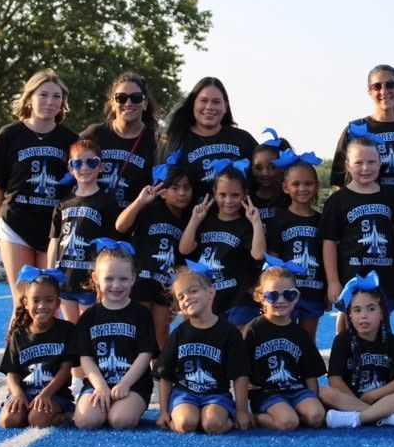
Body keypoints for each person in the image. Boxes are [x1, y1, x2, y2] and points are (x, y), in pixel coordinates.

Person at [0, 69, 80, 307]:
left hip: (53, 229)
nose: (50, 102)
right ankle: (15, 346)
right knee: (23, 302)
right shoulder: (9, 135)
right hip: (16, 224)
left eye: (56, 97)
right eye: (43, 95)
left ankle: (49, 346)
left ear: (63, 102)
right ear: (29, 98)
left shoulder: (69, 139)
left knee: (49, 302)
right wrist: (1, 225)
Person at [155, 264, 251, 434]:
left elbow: (240, 375)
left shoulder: (229, 333)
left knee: (213, 424)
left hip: (216, 394)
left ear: (211, 293)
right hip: (185, 393)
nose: (187, 298)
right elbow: (165, 374)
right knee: (186, 423)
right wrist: (163, 411)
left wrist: (242, 411)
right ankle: (182, 417)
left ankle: (223, 420)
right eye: (181, 296)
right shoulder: (179, 333)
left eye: (193, 291)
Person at [72, 241, 156, 430]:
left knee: (120, 420)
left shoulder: (141, 314)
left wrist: (125, 383)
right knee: (86, 421)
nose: (116, 285)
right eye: (109, 279)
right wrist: (100, 386)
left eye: (123, 279)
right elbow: (85, 357)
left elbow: (146, 354)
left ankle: (124, 407)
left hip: (133, 384)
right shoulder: (89, 317)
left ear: (133, 278)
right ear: (96, 278)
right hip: (99, 382)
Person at [322, 135, 394, 332]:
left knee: (383, 327)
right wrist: (332, 281)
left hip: (385, 276)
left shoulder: (390, 196)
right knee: (348, 324)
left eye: (371, 162)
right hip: (351, 275)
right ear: (348, 165)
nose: (365, 168)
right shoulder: (337, 201)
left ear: (380, 163)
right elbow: (329, 242)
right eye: (359, 162)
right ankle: (344, 359)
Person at [322, 273, 394, 428]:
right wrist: (357, 400)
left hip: (382, 399)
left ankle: (356, 419)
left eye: (371, 309)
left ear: (381, 314)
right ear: (350, 316)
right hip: (350, 399)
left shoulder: (390, 340)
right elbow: (335, 380)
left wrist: (373, 395)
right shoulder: (342, 340)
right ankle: (383, 417)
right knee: (325, 393)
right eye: (357, 310)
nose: (364, 316)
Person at [115, 159, 194, 348]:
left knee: (161, 333)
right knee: (138, 328)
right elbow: (121, 226)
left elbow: (186, 255)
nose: (182, 193)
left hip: (166, 283)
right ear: (164, 192)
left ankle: (159, 372)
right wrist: (140, 201)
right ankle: (136, 371)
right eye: (175, 188)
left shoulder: (189, 218)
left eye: (186, 188)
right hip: (142, 277)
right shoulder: (150, 209)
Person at [179, 162, 266, 326]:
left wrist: (256, 222)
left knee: (239, 346)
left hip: (239, 300)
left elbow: (258, 254)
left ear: (245, 195)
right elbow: (184, 249)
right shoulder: (205, 222)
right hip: (210, 299)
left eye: (235, 195)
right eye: (222, 195)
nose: (228, 200)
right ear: (214, 194)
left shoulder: (245, 225)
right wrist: (195, 219)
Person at [243, 264, 327, 431]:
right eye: (272, 296)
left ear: (296, 297)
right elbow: (242, 372)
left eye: (288, 295)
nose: (281, 301)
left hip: (297, 389)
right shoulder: (253, 330)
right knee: (288, 422)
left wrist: (313, 398)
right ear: (261, 296)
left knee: (316, 416)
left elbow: (310, 374)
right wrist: (243, 409)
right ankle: (259, 418)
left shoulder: (300, 333)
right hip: (267, 392)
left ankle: (294, 413)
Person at [47, 139, 120, 323]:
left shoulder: (107, 202)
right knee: (71, 328)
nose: (84, 167)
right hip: (65, 279)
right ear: (70, 168)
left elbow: (111, 245)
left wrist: (105, 277)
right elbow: (54, 240)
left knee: (88, 327)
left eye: (91, 162)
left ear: (101, 167)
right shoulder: (63, 203)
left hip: (90, 279)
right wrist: (50, 274)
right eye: (77, 163)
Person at [0, 266, 75, 429]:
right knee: (7, 421)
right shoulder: (18, 334)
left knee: (37, 419)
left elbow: (65, 370)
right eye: (36, 300)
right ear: (26, 303)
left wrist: (46, 394)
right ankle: (25, 410)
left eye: (49, 300)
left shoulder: (67, 330)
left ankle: (63, 416)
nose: (42, 306)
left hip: (54, 395)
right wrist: (17, 394)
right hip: (24, 393)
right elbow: (11, 372)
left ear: (58, 303)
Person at [163, 77, 257, 202]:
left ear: (225, 106)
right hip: (192, 219)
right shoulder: (177, 141)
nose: (209, 107)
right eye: (203, 100)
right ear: (193, 104)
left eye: (216, 102)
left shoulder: (243, 139)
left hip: (238, 219)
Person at [265, 149, 326, 339]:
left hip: (314, 289)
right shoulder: (279, 219)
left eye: (308, 184)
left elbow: (326, 257)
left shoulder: (322, 220)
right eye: (296, 184)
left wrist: (327, 289)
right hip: (285, 293)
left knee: (308, 340)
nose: (302, 189)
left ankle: (307, 370)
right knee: (282, 336)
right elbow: (273, 257)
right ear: (285, 187)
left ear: (316, 186)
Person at [329, 65, 394, 189]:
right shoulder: (355, 129)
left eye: (390, 85)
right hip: (367, 205)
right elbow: (339, 181)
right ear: (370, 92)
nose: (384, 91)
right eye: (377, 86)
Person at [81, 74, 159, 210]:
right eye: (121, 98)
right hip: (95, 218)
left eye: (136, 98)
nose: (128, 103)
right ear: (112, 103)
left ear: (145, 104)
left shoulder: (155, 141)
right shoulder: (94, 134)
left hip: (134, 222)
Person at [249, 128, 292, 229]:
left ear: (282, 168)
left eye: (272, 167)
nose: (264, 173)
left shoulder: (289, 199)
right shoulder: (248, 201)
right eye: (258, 168)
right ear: (252, 169)